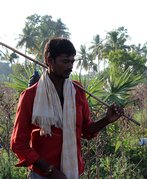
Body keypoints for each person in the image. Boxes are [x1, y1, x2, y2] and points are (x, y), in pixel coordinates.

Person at [10, 37, 124, 179]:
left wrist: (107, 119)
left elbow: (85, 130)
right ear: (49, 60)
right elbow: (18, 144)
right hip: (42, 175)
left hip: (73, 171)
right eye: (65, 61)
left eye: (72, 61)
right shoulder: (30, 96)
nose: (70, 66)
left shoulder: (77, 91)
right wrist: (50, 171)